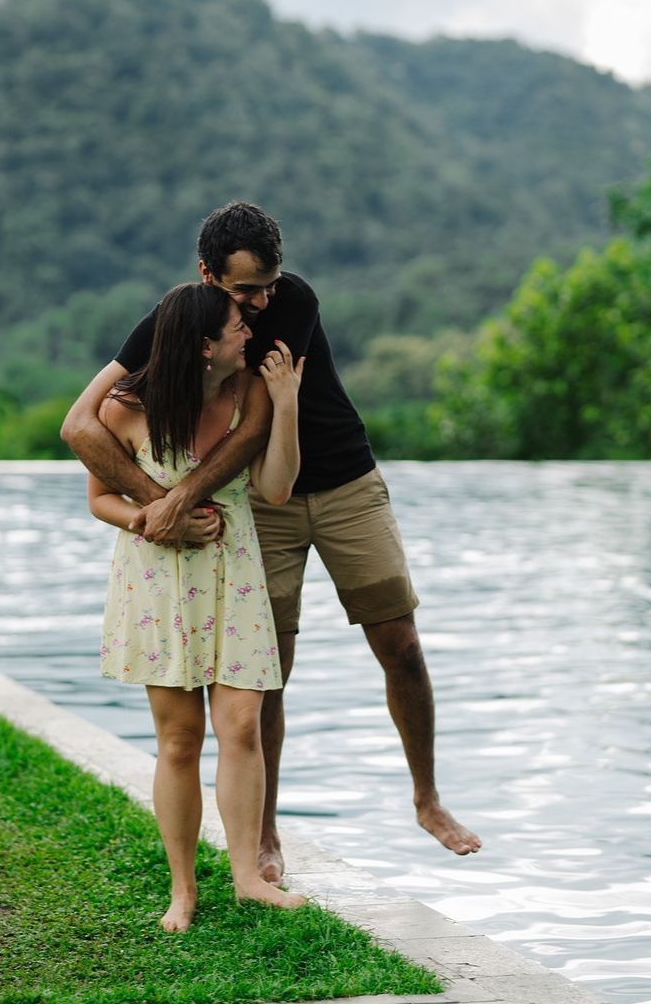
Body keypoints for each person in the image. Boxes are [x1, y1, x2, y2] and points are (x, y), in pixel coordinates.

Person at [62, 202, 482, 888]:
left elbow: (255, 427)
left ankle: (427, 799)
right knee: (265, 671)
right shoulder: (181, 321)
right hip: (258, 501)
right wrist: (153, 505)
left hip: (341, 477)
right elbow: (82, 425)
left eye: (268, 283)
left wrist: (175, 500)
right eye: (244, 291)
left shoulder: (292, 302)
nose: (261, 302)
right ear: (207, 276)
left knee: (400, 640)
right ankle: (264, 834)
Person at [86, 281, 306, 930]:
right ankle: (183, 890)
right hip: (158, 576)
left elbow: (273, 488)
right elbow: (100, 499)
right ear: (205, 346)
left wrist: (288, 406)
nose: (251, 335)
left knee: (240, 726)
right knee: (179, 740)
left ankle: (247, 879)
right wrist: (156, 519)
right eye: (239, 326)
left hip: (233, 571)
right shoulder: (127, 409)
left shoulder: (252, 396)